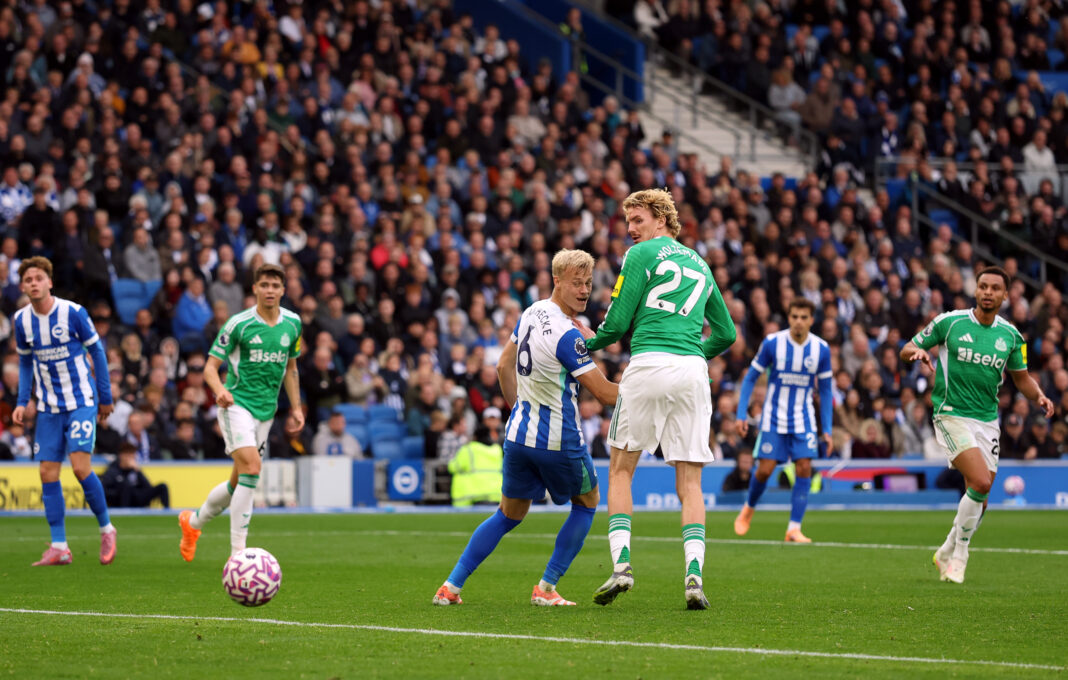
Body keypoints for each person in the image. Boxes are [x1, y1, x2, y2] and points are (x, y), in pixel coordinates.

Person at [433, 249, 619, 607]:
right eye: (576, 283)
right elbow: (605, 394)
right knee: (587, 503)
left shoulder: (532, 311)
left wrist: (517, 406)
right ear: (557, 281)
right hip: (559, 439)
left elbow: (503, 366)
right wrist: (654, 389)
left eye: (587, 283)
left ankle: (451, 586)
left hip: (518, 434)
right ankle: (546, 588)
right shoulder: (567, 336)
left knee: (508, 513)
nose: (584, 290)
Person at [584, 189, 736, 610]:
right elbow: (727, 333)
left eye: (637, 220)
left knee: (620, 470)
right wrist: (692, 355)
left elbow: (616, 325)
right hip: (693, 374)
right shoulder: (700, 263)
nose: (631, 229)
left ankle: (622, 567)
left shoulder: (640, 255)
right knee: (690, 483)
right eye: (628, 222)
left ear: (661, 218)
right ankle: (694, 576)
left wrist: (586, 344)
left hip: (649, 364)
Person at [901, 267, 1053, 584]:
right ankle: (960, 555)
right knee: (981, 482)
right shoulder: (949, 322)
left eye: (994, 288)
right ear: (976, 290)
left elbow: (1022, 378)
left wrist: (1038, 395)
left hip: (987, 421)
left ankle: (945, 549)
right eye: (983, 286)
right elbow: (906, 348)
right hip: (951, 413)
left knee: (981, 500)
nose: (987, 292)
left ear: (1005, 295)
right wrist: (917, 352)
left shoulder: (1012, 337)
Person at [178, 264, 305, 560]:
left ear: (283, 290)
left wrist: (296, 407)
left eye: (275, 285)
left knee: (238, 482)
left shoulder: (293, 323)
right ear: (255, 289)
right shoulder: (238, 324)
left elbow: (291, 368)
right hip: (236, 405)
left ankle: (192, 523)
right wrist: (219, 390)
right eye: (265, 285)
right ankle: (238, 556)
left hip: (266, 412)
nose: (270, 290)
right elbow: (210, 368)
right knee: (252, 469)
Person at [14, 256, 117, 566]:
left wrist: (105, 395)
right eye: (28, 279)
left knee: (80, 467)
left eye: (38, 278)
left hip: (81, 401)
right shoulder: (21, 321)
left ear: (50, 282)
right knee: (47, 472)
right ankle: (60, 546)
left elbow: (97, 351)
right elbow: (25, 362)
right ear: (23, 287)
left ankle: (107, 528)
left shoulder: (72, 312)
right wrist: (22, 400)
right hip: (48, 407)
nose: (34, 283)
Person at [733, 298, 833, 542]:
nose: (798, 321)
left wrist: (827, 429)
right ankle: (749, 507)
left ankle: (794, 528)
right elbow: (750, 378)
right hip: (773, 418)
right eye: (794, 316)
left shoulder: (821, 349)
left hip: (803, 418)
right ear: (789, 318)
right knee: (765, 470)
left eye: (803, 317)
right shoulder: (772, 343)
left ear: (811, 320)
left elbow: (826, 391)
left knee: (804, 467)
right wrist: (741, 413)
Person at [447, 422, 503, 507]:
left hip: (474, 496)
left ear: (475, 437)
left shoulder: (469, 449)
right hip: (496, 495)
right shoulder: (497, 450)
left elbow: (453, 467)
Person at [101, 442, 171, 508]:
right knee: (126, 487)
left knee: (163, 487)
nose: (131, 459)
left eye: (133, 455)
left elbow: (148, 487)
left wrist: (138, 471)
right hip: (121, 499)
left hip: (137, 496)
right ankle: (124, 513)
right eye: (128, 455)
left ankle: (167, 512)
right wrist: (119, 491)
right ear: (121, 456)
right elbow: (105, 490)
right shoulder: (113, 470)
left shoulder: (135, 469)